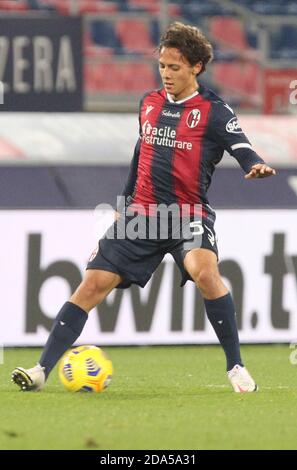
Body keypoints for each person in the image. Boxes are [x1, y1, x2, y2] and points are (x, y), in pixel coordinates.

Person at [12, 22, 276, 393]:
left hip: (187, 214)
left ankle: (236, 367)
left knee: (204, 271)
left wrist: (255, 165)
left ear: (196, 67)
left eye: (175, 67)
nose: (166, 74)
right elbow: (142, 153)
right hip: (142, 215)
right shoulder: (149, 103)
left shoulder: (214, 111)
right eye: (163, 66)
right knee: (91, 285)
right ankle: (40, 369)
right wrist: (123, 203)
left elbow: (242, 146)